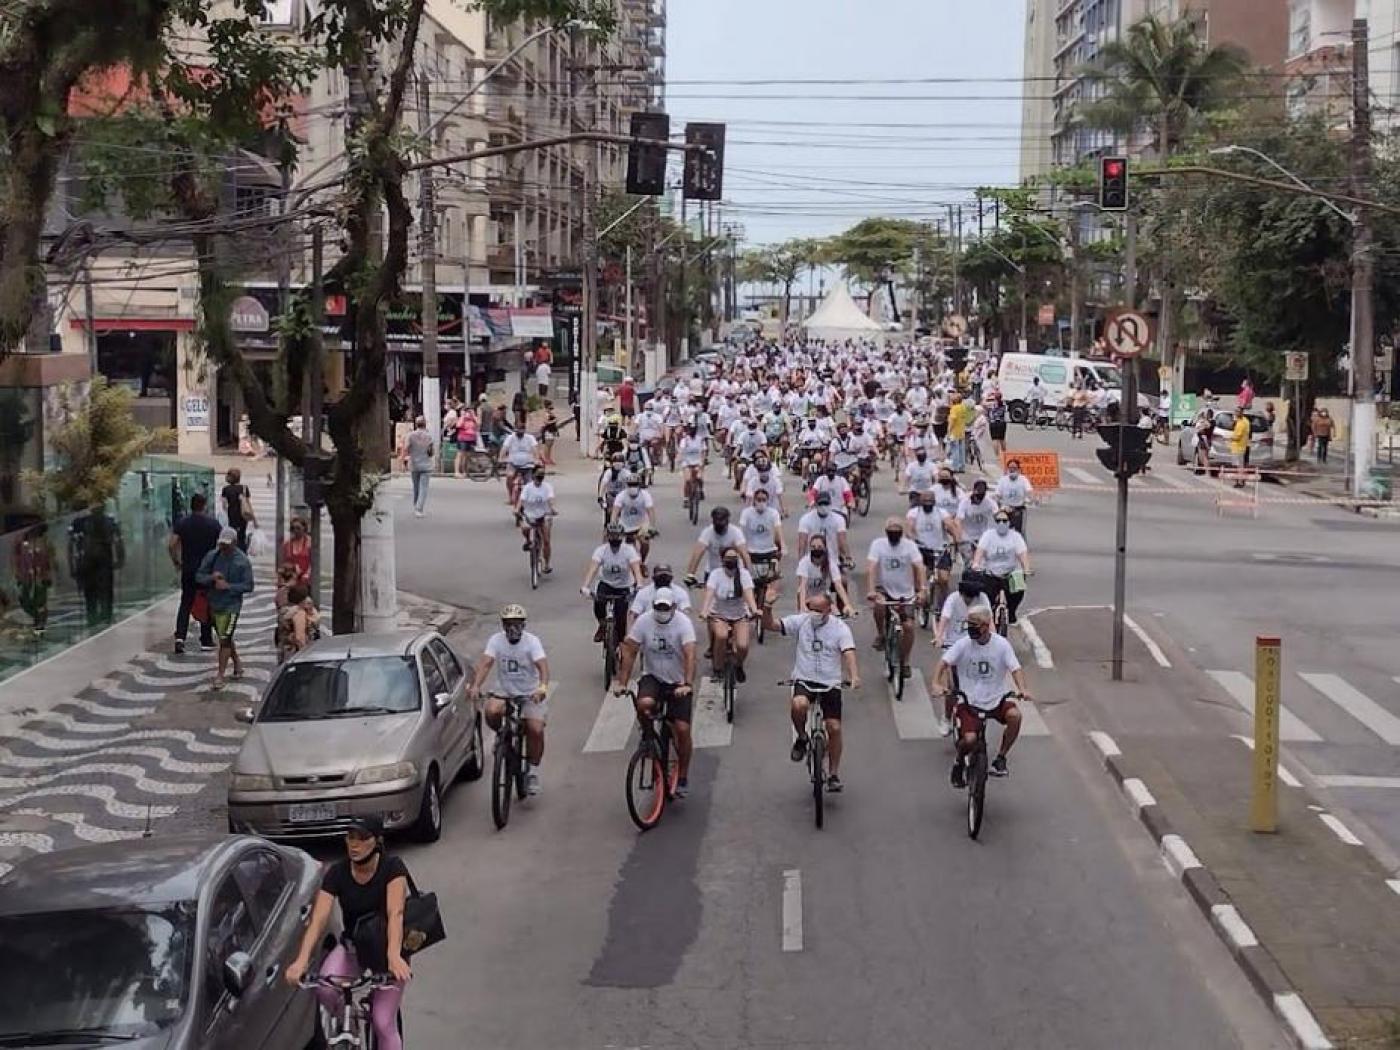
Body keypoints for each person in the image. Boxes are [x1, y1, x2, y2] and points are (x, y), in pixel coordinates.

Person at [284, 816, 412, 1050]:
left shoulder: (393, 868)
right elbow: (319, 918)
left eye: (362, 839)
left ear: (377, 842)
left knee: (383, 1023)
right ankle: (349, 1024)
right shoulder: (337, 873)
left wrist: (394, 956)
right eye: (350, 838)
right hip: (353, 948)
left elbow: (396, 914)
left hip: (387, 952)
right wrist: (301, 961)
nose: (354, 845)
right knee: (325, 990)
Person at [762, 593, 860, 793]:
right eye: (811, 609)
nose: (814, 614)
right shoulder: (801, 622)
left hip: (829, 683)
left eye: (819, 610)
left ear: (829, 610)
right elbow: (770, 625)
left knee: (833, 728)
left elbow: (848, 652)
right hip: (805, 679)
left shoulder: (840, 628)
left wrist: (854, 676)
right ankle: (801, 737)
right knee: (799, 705)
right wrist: (767, 606)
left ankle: (833, 774)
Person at [612, 587, 698, 797]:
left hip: (677, 681)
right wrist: (622, 682)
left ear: (674, 607)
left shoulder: (683, 624)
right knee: (643, 705)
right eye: (658, 607)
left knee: (682, 729)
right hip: (653, 677)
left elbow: (690, 655)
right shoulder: (644, 622)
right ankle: (648, 736)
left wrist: (687, 683)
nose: (661, 610)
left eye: (665, 607)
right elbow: (630, 650)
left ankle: (684, 775)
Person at [935, 607, 1032, 783]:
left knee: (1015, 716)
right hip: (970, 701)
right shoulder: (963, 644)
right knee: (970, 740)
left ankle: (1001, 758)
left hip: (996, 699)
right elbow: (944, 662)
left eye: (975, 625)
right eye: (969, 624)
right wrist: (936, 683)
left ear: (986, 626)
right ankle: (959, 761)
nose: (971, 628)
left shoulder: (1001, 645)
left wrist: (1022, 688)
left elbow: (1015, 668)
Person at [469, 604, 551, 795]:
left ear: (523, 625)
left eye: (516, 624)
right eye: (508, 624)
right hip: (504, 691)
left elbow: (543, 668)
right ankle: (501, 736)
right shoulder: (496, 641)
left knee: (535, 729)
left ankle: (533, 771)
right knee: (491, 710)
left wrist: (542, 688)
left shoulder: (532, 642)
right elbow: (486, 663)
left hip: (530, 693)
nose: (512, 628)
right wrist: (476, 686)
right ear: (503, 625)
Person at [865, 516, 925, 678]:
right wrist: (871, 590)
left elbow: (919, 567)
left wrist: (922, 590)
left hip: (906, 593)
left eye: (897, 532)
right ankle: (881, 635)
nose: (894, 535)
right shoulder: (878, 545)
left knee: (909, 627)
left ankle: (905, 661)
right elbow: (871, 567)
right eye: (891, 532)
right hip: (884, 589)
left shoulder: (910, 546)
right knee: (878, 605)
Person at [933, 575, 992, 735]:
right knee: (952, 687)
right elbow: (944, 619)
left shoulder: (983, 599)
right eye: (967, 596)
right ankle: (946, 718)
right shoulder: (953, 599)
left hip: (975, 645)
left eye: (973, 596)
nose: (970, 600)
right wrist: (939, 637)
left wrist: (993, 639)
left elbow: (990, 622)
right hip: (953, 645)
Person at [196, 526, 254, 688]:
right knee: (224, 636)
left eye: (227, 545)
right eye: (221, 544)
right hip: (214, 604)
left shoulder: (242, 561)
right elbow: (199, 576)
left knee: (224, 639)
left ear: (235, 543)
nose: (224, 548)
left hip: (231, 606)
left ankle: (220, 675)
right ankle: (237, 664)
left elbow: (248, 585)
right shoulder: (212, 556)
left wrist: (229, 587)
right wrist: (211, 578)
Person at [168, 492, 221, 653]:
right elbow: (221, 546)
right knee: (207, 602)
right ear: (204, 505)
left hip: (189, 568)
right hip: (207, 570)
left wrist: (177, 562)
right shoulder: (213, 524)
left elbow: (171, 545)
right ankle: (206, 639)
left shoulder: (183, 523)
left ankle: (180, 637)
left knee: (186, 602)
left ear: (191, 505)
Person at [700, 547, 759, 683]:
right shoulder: (716, 574)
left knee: (743, 646)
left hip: (740, 615)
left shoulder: (743, 574)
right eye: (728, 559)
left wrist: (754, 609)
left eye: (734, 559)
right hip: (719, 614)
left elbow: (748, 593)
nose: (731, 562)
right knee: (721, 636)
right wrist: (704, 610)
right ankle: (718, 669)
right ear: (722, 560)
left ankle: (739, 665)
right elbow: (709, 593)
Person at [581, 522, 643, 644]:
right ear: (608, 536)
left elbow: (636, 569)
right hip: (606, 584)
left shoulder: (629, 550)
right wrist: (585, 586)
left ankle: (620, 648)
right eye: (612, 535)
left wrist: (639, 584)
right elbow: (593, 568)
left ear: (622, 537)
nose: (615, 539)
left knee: (621, 620)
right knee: (599, 604)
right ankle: (602, 625)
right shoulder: (601, 550)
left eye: (617, 536)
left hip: (623, 586)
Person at [970, 510, 1031, 625]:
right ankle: (989, 615)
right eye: (998, 521)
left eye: (1004, 520)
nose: (1001, 523)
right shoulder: (988, 535)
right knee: (986, 597)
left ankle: (1012, 612)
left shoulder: (1015, 536)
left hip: (1010, 572)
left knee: (1019, 589)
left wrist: (1026, 568)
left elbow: (1023, 554)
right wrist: (976, 563)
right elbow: (980, 551)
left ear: (1009, 522)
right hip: (991, 572)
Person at [68, 503, 124, 627]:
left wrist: (72, 566)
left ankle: (99, 618)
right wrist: (120, 558)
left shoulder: (81, 523)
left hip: (97, 562)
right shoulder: (82, 523)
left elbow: (118, 540)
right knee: (96, 593)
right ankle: (100, 618)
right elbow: (118, 541)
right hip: (95, 563)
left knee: (97, 593)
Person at [795, 536, 855, 617]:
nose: (816, 549)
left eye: (819, 547)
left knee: (835, 614)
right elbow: (803, 585)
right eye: (813, 547)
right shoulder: (804, 562)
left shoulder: (830, 563)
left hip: (824, 596)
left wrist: (847, 604)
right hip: (807, 596)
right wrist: (803, 606)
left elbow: (838, 585)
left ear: (825, 548)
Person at [686, 505, 750, 580]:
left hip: (733, 572)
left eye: (722, 522)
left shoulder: (736, 532)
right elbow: (697, 554)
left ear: (727, 521)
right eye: (717, 521)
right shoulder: (707, 532)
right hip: (713, 572)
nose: (719, 524)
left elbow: (744, 554)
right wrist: (690, 575)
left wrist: (748, 574)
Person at [14, 523, 56, 636]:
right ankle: (37, 619)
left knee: (41, 602)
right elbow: (16, 558)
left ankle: (40, 629)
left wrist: (49, 574)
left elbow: (51, 559)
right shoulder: (21, 542)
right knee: (24, 600)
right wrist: (17, 573)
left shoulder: (45, 542)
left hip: (41, 577)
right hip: (25, 576)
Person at [516, 466, 558, 574]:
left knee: (546, 540)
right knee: (524, 527)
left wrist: (552, 509)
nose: (540, 477)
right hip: (530, 515)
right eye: (538, 474)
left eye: (542, 474)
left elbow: (550, 500)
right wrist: (517, 509)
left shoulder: (548, 487)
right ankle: (528, 540)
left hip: (544, 515)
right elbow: (521, 500)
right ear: (533, 475)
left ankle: (547, 563)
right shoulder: (527, 487)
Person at [612, 472, 656, 570]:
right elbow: (615, 512)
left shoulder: (645, 495)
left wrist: (651, 527)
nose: (633, 487)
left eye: (635, 485)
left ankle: (643, 562)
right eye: (630, 485)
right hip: (625, 525)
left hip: (641, 524)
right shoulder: (621, 496)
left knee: (645, 543)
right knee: (627, 547)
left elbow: (651, 512)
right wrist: (613, 525)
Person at [629, 563, 692, 627]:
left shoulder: (680, 592)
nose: (663, 579)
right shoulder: (643, 592)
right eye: (660, 576)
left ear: (671, 578)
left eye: (666, 577)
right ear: (653, 578)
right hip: (649, 627)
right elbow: (634, 613)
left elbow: (686, 611)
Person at [276, 582, 320, 662]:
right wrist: (304, 656)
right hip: (297, 654)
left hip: (285, 652)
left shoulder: (284, 611)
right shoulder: (299, 613)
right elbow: (300, 637)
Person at [401, 416, 434, 517]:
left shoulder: (410, 435)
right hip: (426, 465)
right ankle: (419, 509)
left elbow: (406, 448)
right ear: (425, 424)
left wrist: (403, 462)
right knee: (423, 488)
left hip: (414, 464)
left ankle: (416, 505)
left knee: (416, 487)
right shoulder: (429, 436)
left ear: (416, 424)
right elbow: (431, 452)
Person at [994, 459, 1034, 538]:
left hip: (1019, 508)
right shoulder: (1003, 480)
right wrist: (998, 506)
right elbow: (997, 495)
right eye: (1010, 468)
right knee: (1002, 529)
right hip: (1005, 508)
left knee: (1019, 531)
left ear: (1019, 469)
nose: (1012, 470)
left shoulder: (1023, 480)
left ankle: (1021, 546)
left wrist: (1030, 498)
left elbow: (1029, 491)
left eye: (1014, 468)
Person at [221, 467, 256, 552]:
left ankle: (233, 551)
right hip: (243, 516)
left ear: (231, 477)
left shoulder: (226, 489)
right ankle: (242, 552)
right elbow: (248, 504)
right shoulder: (244, 488)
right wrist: (254, 519)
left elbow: (224, 506)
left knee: (232, 535)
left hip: (231, 516)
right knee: (242, 536)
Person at [281, 515, 312, 586]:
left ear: (304, 528)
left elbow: (313, 563)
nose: (296, 531)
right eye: (293, 528)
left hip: (306, 577)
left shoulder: (309, 543)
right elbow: (285, 563)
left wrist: (307, 574)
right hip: (292, 576)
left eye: (298, 528)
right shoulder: (288, 544)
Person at [1229, 408, 1252, 484]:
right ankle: (1239, 480)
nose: (1234, 413)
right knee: (1239, 465)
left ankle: (1240, 481)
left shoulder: (1242, 423)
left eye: (1236, 412)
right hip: (1239, 446)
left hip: (1239, 446)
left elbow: (1238, 436)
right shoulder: (1241, 421)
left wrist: (1230, 438)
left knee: (1239, 466)